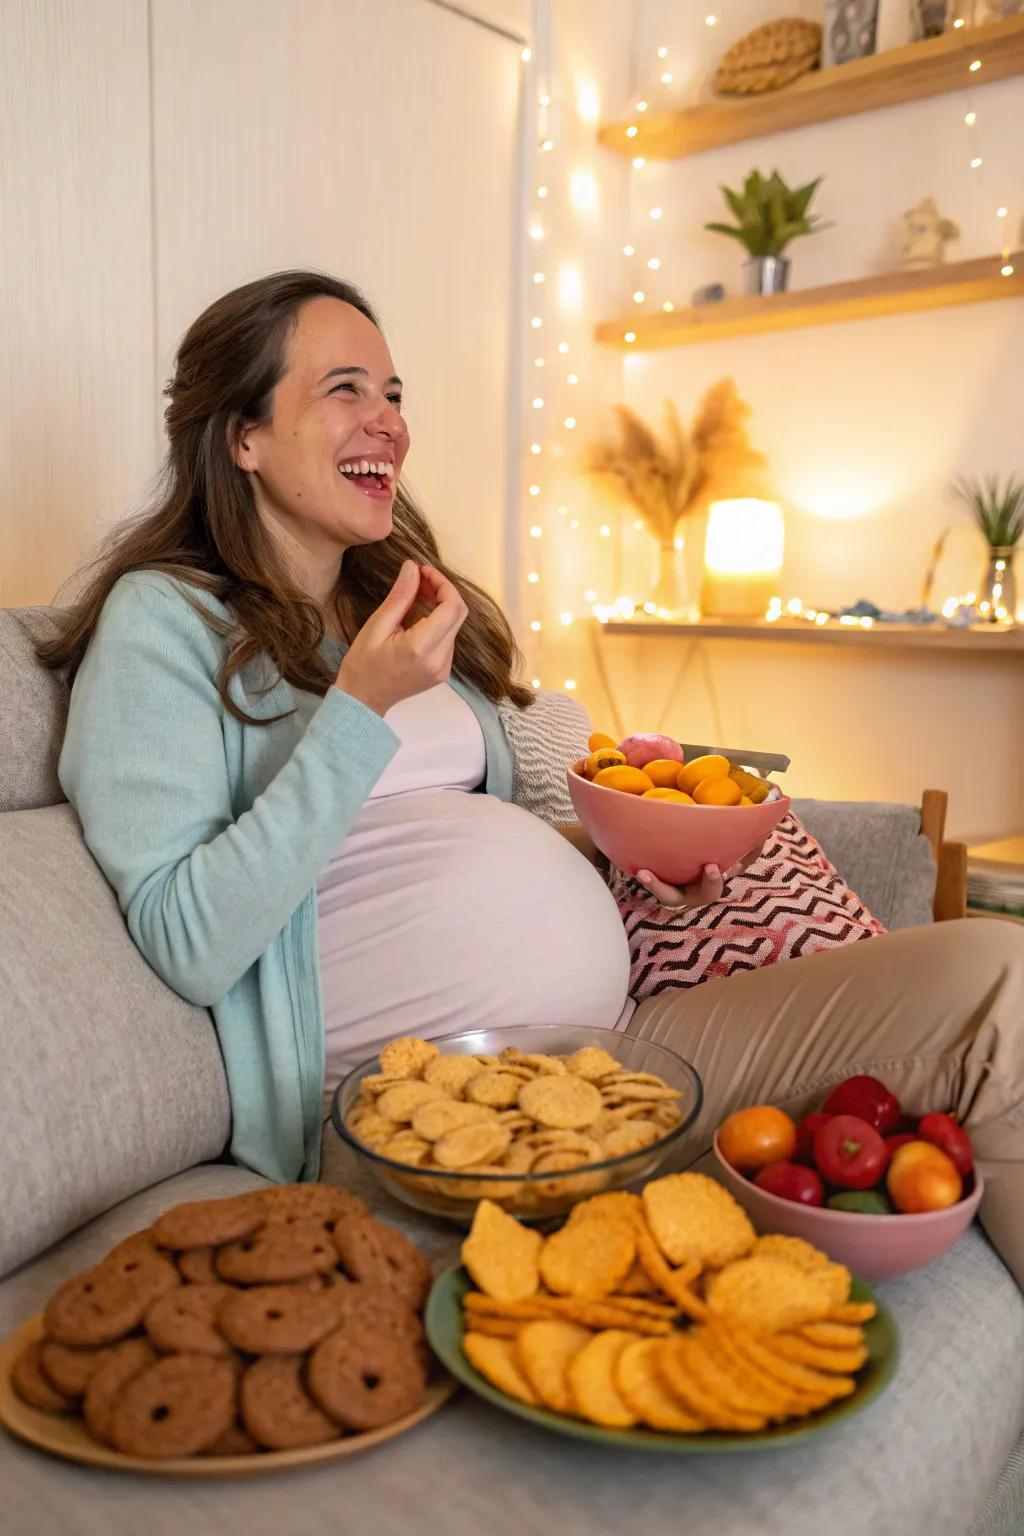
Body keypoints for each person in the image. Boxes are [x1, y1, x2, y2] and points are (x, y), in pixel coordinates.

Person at [39, 271, 1023, 1287]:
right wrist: (359, 711)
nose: (389, 423)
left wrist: (626, 856)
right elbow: (187, 940)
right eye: (345, 390)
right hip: (422, 1107)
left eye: (394, 394)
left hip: (610, 1050)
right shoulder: (164, 624)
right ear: (242, 434)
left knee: (1000, 978)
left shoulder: (397, 612)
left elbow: (450, 836)